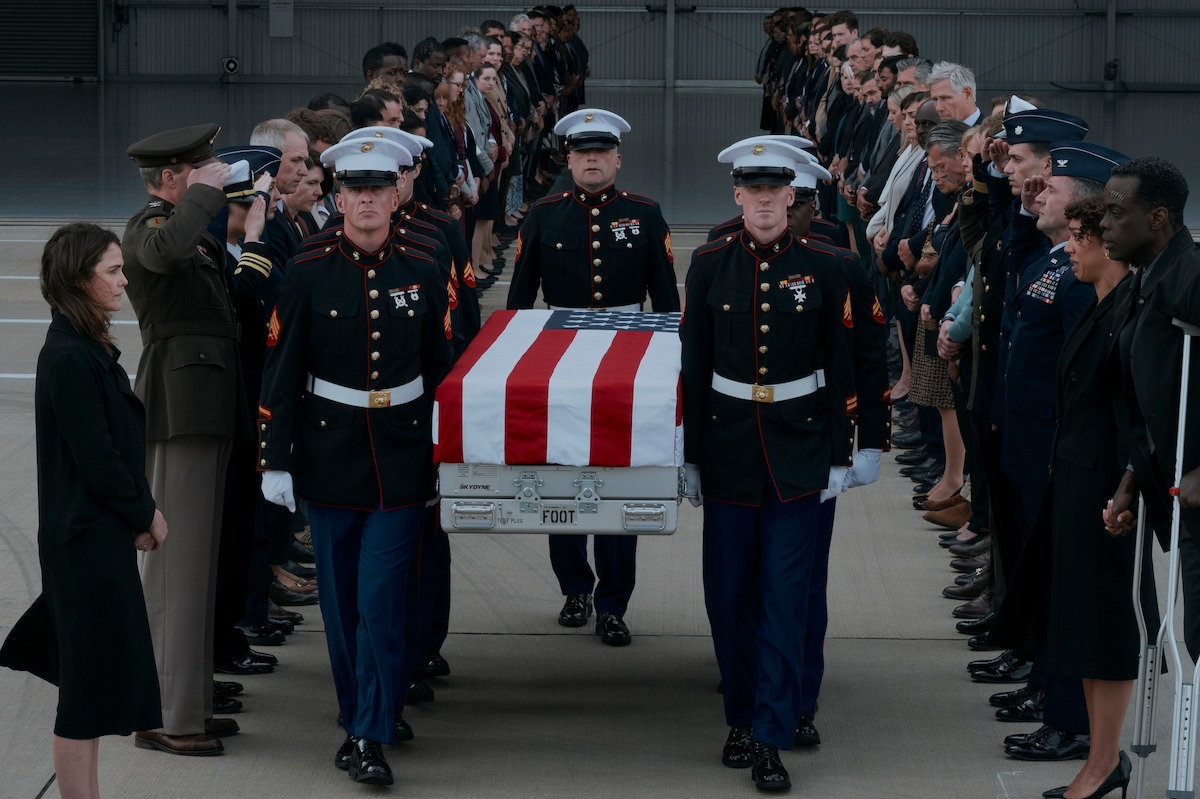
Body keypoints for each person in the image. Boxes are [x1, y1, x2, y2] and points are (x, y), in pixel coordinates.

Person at [257, 135, 454, 786]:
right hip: (328, 456)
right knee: (342, 611)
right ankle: (359, 715)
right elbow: (282, 373)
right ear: (339, 197)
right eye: (355, 191)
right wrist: (277, 459)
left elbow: (437, 368)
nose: (367, 201)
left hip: (400, 459)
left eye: (378, 190)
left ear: (395, 196)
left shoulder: (425, 265)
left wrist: (443, 451)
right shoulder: (309, 268)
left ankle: (370, 732)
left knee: (382, 600)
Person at [681, 136, 855, 792]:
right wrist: (691, 457)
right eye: (749, 190)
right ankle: (742, 715)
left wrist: (850, 450)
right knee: (730, 597)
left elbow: (842, 364)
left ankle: (773, 734)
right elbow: (694, 367)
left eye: (772, 190)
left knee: (787, 596)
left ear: (791, 195)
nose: (761, 200)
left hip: (798, 449)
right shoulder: (708, 264)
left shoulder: (826, 264)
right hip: (727, 449)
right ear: (736, 196)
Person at [0, 223, 169, 797]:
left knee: (92, 682)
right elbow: (97, 458)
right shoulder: (70, 356)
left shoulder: (83, 346)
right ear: (79, 279)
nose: (124, 281)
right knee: (84, 688)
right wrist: (145, 514)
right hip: (83, 543)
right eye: (113, 271)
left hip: (92, 538)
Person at [506, 107, 679, 647]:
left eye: (600, 154)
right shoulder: (544, 213)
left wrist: (672, 359)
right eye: (582, 154)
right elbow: (518, 299)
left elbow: (667, 298)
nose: (591, 162)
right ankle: (574, 587)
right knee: (562, 476)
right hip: (560, 360)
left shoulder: (645, 214)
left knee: (618, 480)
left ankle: (613, 603)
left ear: (617, 159)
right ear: (570, 160)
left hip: (627, 357)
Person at [121, 123, 246, 756]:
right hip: (181, 405)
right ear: (171, 176)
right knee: (177, 565)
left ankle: (183, 702)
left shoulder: (184, 228)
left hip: (206, 402)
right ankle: (166, 714)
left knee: (199, 564)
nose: (213, 173)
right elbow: (164, 253)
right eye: (199, 167)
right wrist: (202, 196)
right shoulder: (148, 228)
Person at [1104, 157, 1200, 663]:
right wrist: (1131, 480)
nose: (1103, 223)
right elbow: (1152, 400)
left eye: (1117, 212)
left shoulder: (1192, 277)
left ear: (1158, 217)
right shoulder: (1143, 280)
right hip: (1174, 486)